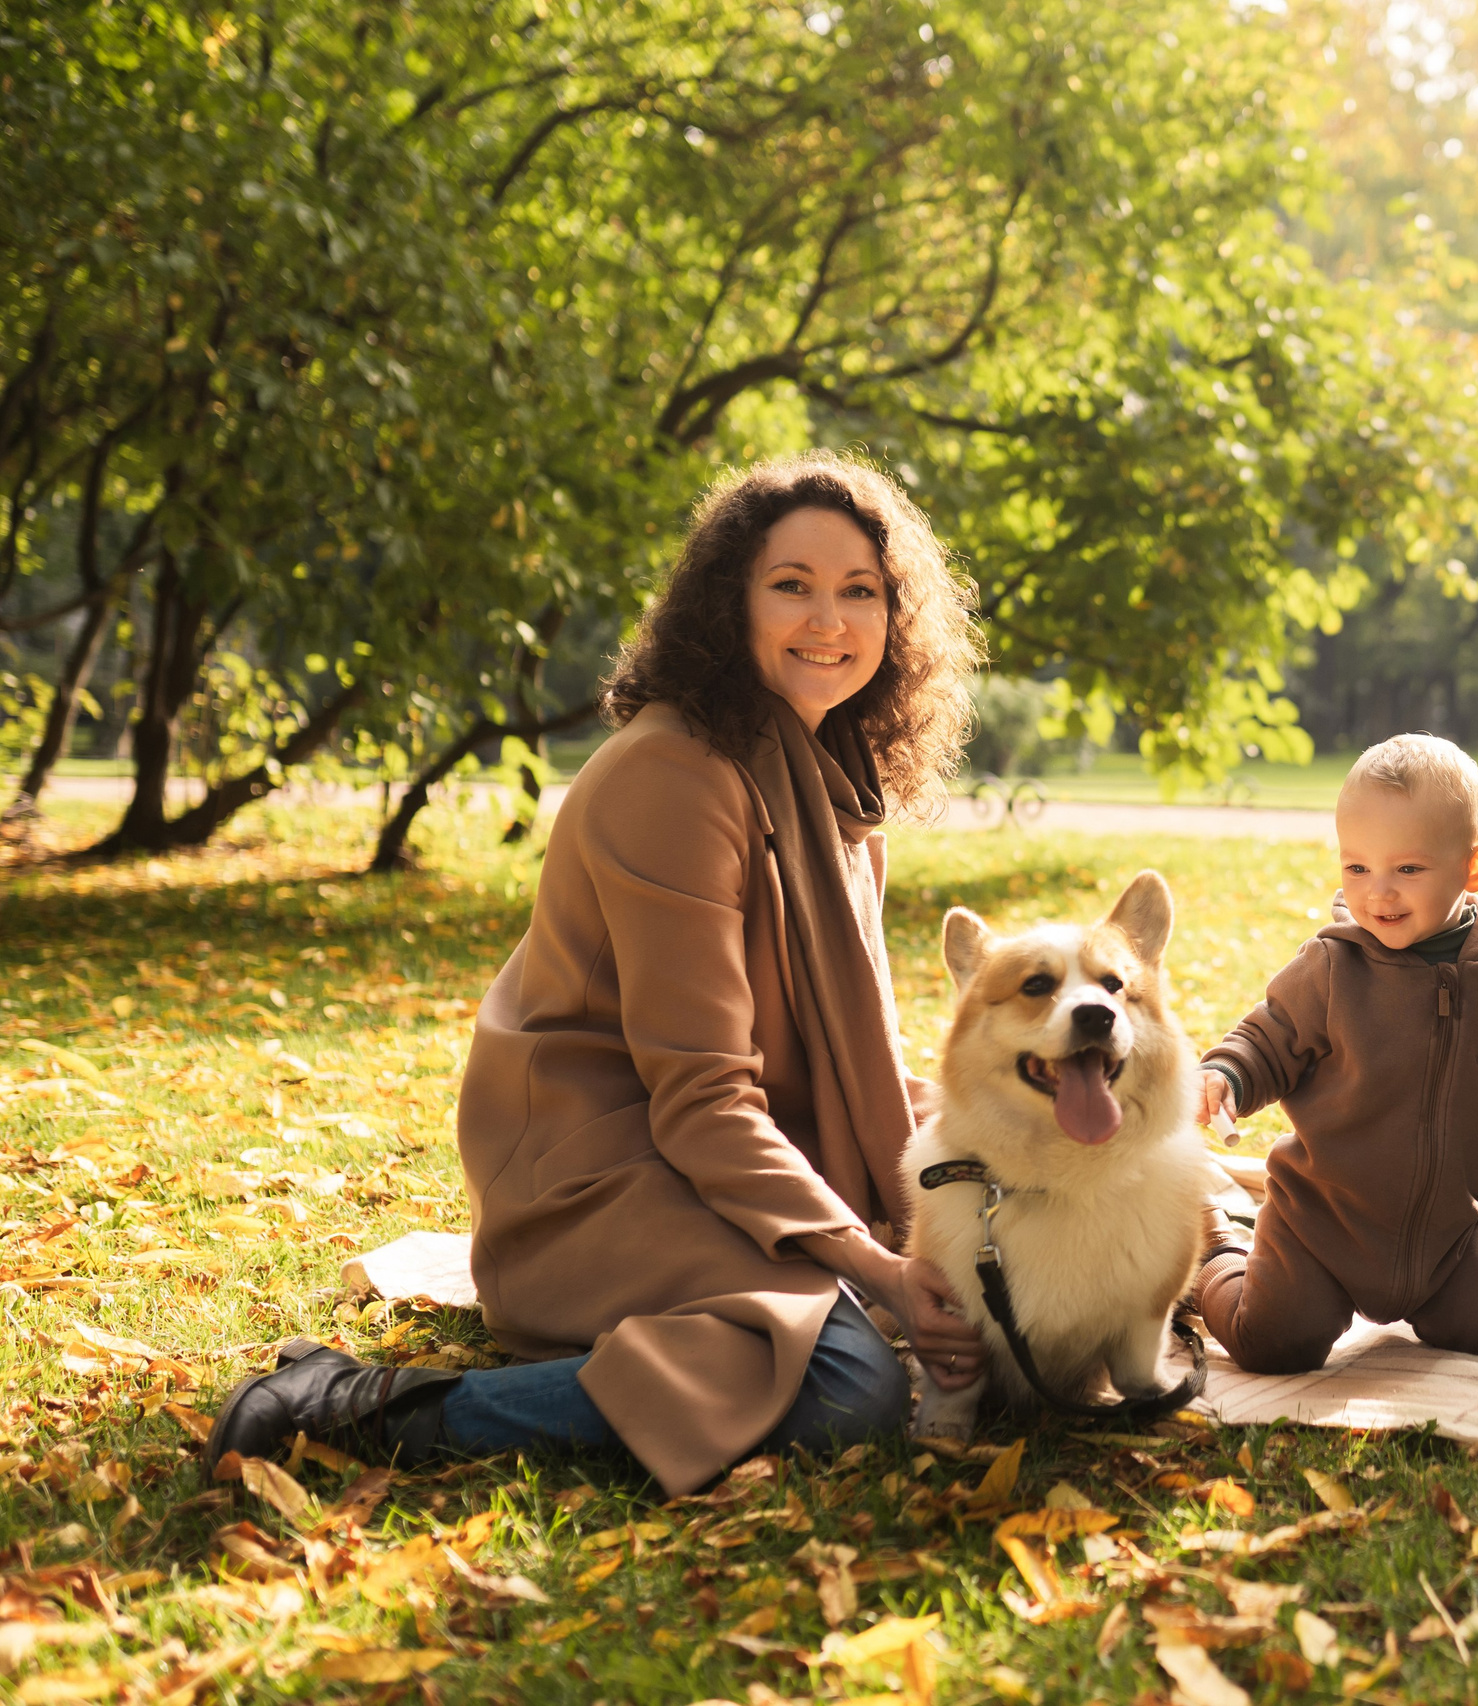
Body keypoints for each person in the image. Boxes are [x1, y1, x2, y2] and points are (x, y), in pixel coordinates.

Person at [201, 451, 990, 1494]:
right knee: (846, 1381)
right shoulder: (676, 775)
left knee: (953, 1270)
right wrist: (881, 1267)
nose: (827, 621)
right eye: (789, 585)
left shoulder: (834, 789)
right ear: (729, 603)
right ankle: (364, 1403)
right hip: (596, 1161)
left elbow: (849, 1062)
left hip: (710, 1151)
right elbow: (704, 1095)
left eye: (860, 591)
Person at [1192, 734, 1478, 1372]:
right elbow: (1266, 1038)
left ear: (1472, 868)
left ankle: (1449, 1286)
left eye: (1407, 870)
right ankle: (1217, 1251)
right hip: (1321, 1228)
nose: (1378, 894)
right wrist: (1225, 1074)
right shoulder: (1334, 965)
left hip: (1446, 1237)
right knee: (1273, 1341)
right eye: (1357, 868)